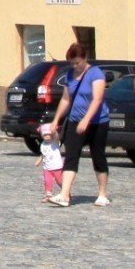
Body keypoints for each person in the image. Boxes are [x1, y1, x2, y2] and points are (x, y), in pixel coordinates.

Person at [46, 43, 110, 208]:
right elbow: (66, 99)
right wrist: (56, 120)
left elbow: (97, 99)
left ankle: (103, 194)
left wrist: (87, 119)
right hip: (75, 120)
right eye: (72, 63)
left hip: (97, 122)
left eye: (77, 62)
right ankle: (64, 195)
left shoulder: (96, 74)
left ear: (85, 58)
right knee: (71, 155)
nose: (75, 66)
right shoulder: (69, 75)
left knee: (98, 155)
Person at [38, 123, 65, 203]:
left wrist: (54, 131)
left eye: (49, 134)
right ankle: (48, 195)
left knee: (59, 181)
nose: (47, 136)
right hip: (46, 167)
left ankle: (65, 192)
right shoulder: (43, 144)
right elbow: (43, 154)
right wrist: (39, 160)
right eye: (45, 135)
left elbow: (57, 136)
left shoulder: (55, 142)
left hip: (56, 166)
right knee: (47, 181)